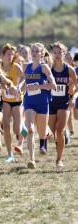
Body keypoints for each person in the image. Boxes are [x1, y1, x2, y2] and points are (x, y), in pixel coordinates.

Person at [19, 43, 56, 169]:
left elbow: (53, 86)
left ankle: (44, 139)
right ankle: (31, 159)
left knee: (41, 132)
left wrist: (39, 86)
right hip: (29, 102)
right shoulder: (27, 67)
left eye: (37, 51)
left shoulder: (44, 67)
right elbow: (24, 84)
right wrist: (19, 89)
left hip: (42, 102)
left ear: (41, 54)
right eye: (32, 51)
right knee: (29, 129)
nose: (34, 53)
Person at [49, 42, 77, 170]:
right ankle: (62, 135)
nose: (57, 55)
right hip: (50, 103)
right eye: (54, 53)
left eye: (59, 52)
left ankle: (59, 160)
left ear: (64, 53)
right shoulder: (48, 69)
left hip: (64, 103)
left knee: (59, 130)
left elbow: (76, 85)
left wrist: (73, 93)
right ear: (52, 54)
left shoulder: (69, 69)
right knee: (53, 131)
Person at [1, 43, 26, 162]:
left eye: (11, 54)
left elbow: (25, 78)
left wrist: (19, 87)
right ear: (3, 55)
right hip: (5, 100)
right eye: (8, 54)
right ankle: (10, 154)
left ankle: (22, 127)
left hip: (17, 99)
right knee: (5, 126)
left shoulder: (15, 67)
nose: (10, 56)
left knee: (17, 129)